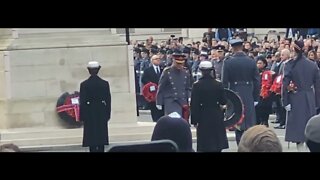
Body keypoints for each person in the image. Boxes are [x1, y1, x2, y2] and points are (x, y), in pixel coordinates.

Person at [282, 40, 320, 151]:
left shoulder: (289, 64)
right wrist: (317, 103)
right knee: (309, 127)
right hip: (309, 98)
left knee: (299, 131)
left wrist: (285, 101)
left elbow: (284, 85)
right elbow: (318, 87)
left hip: (296, 98)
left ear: (294, 49)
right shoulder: (312, 65)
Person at [221, 38, 260, 145]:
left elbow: (224, 82)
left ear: (233, 48)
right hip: (248, 93)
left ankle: (241, 145)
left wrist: (225, 99)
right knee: (249, 122)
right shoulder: (251, 61)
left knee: (238, 120)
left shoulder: (228, 62)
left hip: (234, 92)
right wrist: (256, 97)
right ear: (242, 47)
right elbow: (257, 81)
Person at [191, 61, 229, 152]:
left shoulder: (197, 85)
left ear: (201, 71)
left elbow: (194, 104)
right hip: (216, 113)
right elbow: (223, 101)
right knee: (216, 141)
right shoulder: (218, 84)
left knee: (205, 142)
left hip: (203, 114)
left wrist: (194, 121)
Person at [80, 61, 111, 152]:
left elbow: (83, 101)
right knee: (101, 133)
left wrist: (82, 116)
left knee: (91, 134)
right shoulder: (104, 83)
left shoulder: (84, 84)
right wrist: (108, 113)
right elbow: (108, 100)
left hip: (89, 111)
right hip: (101, 110)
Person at [156, 49, 192, 118]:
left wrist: (189, 97)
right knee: (173, 121)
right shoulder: (167, 72)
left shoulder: (185, 72)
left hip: (183, 101)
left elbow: (188, 87)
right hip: (171, 101)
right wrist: (159, 101)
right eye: (178, 63)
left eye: (181, 63)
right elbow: (161, 87)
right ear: (173, 61)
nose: (180, 65)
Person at [141, 55, 164, 122]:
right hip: (153, 93)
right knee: (154, 109)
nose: (158, 60)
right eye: (156, 59)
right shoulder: (148, 70)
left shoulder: (163, 69)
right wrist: (150, 84)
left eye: (159, 59)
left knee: (162, 110)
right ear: (152, 61)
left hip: (161, 92)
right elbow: (144, 79)